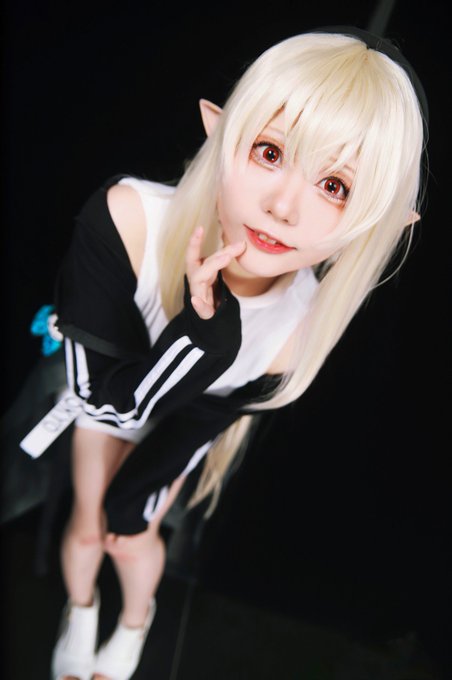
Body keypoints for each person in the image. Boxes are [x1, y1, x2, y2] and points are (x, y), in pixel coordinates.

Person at [20, 25, 428, 680]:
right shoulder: (128, 221)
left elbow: (190, 425)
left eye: (336, 186)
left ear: (377, 220)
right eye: (270, 151)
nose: (284, 206)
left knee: (129, 533)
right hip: (109, 400)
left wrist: (136, 499)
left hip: (184, 423)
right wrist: (203, 336)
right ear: (220, 132)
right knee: (88, 527)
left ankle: (134, 621)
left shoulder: (297, 330)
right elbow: (102, 398)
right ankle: (82, 609)